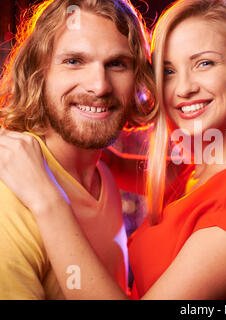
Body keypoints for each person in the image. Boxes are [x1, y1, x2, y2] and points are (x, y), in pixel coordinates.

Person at [0, 0, 226, 300]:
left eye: (204, 63)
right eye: (169, 71)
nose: (184, 88)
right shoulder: (200, 174)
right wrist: (76, 137)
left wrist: (48, 201)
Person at [0, 0, 154, 299]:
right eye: (74, 61)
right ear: (39, 72)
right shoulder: (10, 197)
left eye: (117, 63)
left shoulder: (102, 171)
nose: (99, 86)